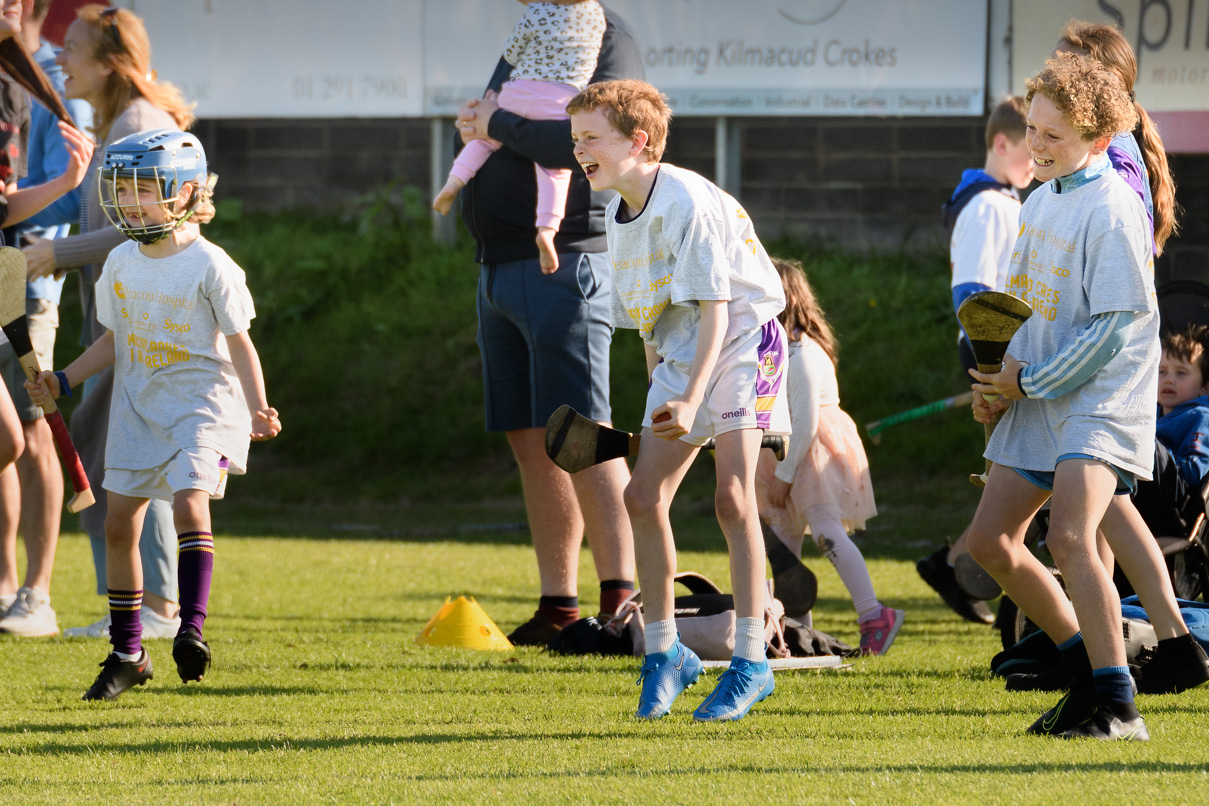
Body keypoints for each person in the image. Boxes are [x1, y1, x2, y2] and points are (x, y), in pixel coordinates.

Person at [26, 128, 281, 701]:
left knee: (190, 503)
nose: (129, 200)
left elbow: (241, 343)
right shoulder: (120, 261)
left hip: (203, 408)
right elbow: (114, 340)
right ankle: (128, 654)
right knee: (119, 526)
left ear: (187, 192)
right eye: (123, 188)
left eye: (144, 188)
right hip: (138, 410)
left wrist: (258, 405)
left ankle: (190, 630)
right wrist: (64, 378)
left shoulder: (212, 265)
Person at [567, 79, 787, 722]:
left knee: (733, 497)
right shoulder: (615, 212)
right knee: (642, 497)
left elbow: (719, 310)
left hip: (746, 339)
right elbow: (649, 322)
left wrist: (691, 401)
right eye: (574, 138)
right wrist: (661, 394)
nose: (579, 151)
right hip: (682, 349)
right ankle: (666, 654)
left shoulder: (684, 198)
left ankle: (752, 660)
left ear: (638, 142)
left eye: (590, 139)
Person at [967, 52, 1161, 740]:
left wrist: (1029, 380)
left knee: (1071, 534)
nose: (1035, 146)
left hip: (1098, 401)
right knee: (989, 542)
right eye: (1031, 130)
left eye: (1053, 136)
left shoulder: (1110, 208)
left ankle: (1117, 707)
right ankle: (1092, 676)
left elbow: (1114, 329)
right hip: (1035, 393)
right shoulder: (1037, 197)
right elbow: (1021, 305)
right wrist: (997, 382)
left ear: (1098, 140)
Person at [452, 6, 642, 646]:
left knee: (583, 436)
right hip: (498, 266)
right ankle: (559, 603)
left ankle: (623, 602)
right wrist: (479, 127)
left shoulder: (607, 36)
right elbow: (504, 121)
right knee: (531, 439)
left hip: (565, 264)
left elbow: (586, 144)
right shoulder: (534, 27)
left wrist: (497, 124)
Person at [24, 4, 196, 640]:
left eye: (73, 48)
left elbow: (145, 227)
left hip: (141, 329)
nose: (60, 58)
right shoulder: (119, 125)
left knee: (129, 463)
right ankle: (139, 607)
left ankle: (153, 609)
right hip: (118, 326)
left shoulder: (137, 128)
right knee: (112, 457)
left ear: (110, 63)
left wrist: (52, 252)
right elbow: (97, 214)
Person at [916, 97, 1035, 626]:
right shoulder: (989, 206)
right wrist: (996, 363)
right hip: (994, 351)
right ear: (1001, 143)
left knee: (1013, 478)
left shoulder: (1005, 200)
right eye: (1029, 150)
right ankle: (966, 571)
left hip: (1005, 353)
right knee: (1012, 478)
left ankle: (953, 567)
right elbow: (972, 292)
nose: (1037, 162)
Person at [0, 0, 94, 638]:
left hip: (18, 270)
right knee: (8, 442)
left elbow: (6, 205)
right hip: (14, 261)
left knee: (26, 435)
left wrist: (65, 183)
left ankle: (36, 593)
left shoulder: (37, 82)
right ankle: (7, 584)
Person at [755, 257, 902, 655]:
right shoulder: (778, 351)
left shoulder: (802, 354)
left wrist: (784, 477)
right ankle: (797, 629)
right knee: (784, 547)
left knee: (824, 528)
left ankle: (874, 614)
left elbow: (802, 423)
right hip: (787, 453)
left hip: (813, 454)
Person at [433, 0, 605, 274]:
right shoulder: (595, 18)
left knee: (486, 138)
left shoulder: (539, 11)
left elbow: (512, 51)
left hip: (519, 90)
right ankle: (547, 230)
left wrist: (494, 120)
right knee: (552, 173)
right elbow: (590, 58)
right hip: (560, 97)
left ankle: (452, 184)